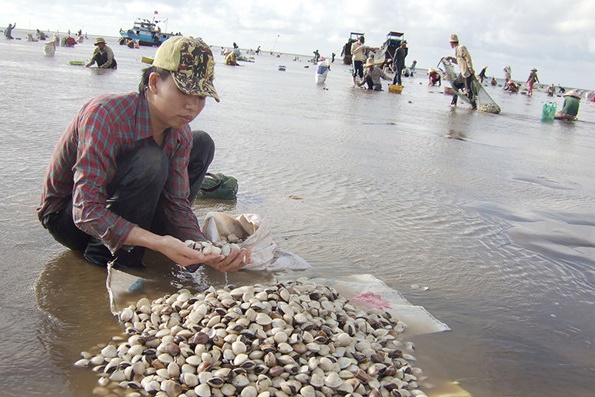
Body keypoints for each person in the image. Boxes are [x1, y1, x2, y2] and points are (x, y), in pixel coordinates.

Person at [37, 36, 250, 273]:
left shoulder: (181, 134)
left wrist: (204, 249)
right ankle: (107, 259)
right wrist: (157, 242)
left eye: (201, 97)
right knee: (152, 160)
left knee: (202, 142)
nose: (193, 105)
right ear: (154, 82)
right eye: (184, 91)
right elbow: (85, 209)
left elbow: (177, 204)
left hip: (129, 209)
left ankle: (160, 243)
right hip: (70, 219)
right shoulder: (104, 115)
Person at [445, 33, 477, 109]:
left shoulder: (461, 48)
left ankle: (474, 106)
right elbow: (459, 61)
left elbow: (468, 59)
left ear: (452, 43)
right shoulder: (457, 49)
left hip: (466, 73)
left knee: (468, 90)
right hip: (462, 73)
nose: (450, 44)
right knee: (455, 85)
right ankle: (453, 103)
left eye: (450, 43)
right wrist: (451, 59)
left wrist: (470, 69)